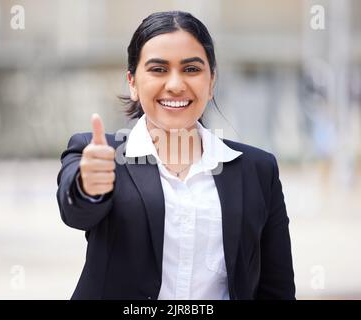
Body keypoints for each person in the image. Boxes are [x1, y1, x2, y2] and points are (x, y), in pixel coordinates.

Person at [56, 11, 295, 300]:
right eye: (158, 69)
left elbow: (276, 288)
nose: (175, 84)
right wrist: (88, 187)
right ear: (132, 82)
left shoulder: (258, 170)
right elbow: (77, 212)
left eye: (191, 69)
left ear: (211, 81)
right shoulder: (99, 155)